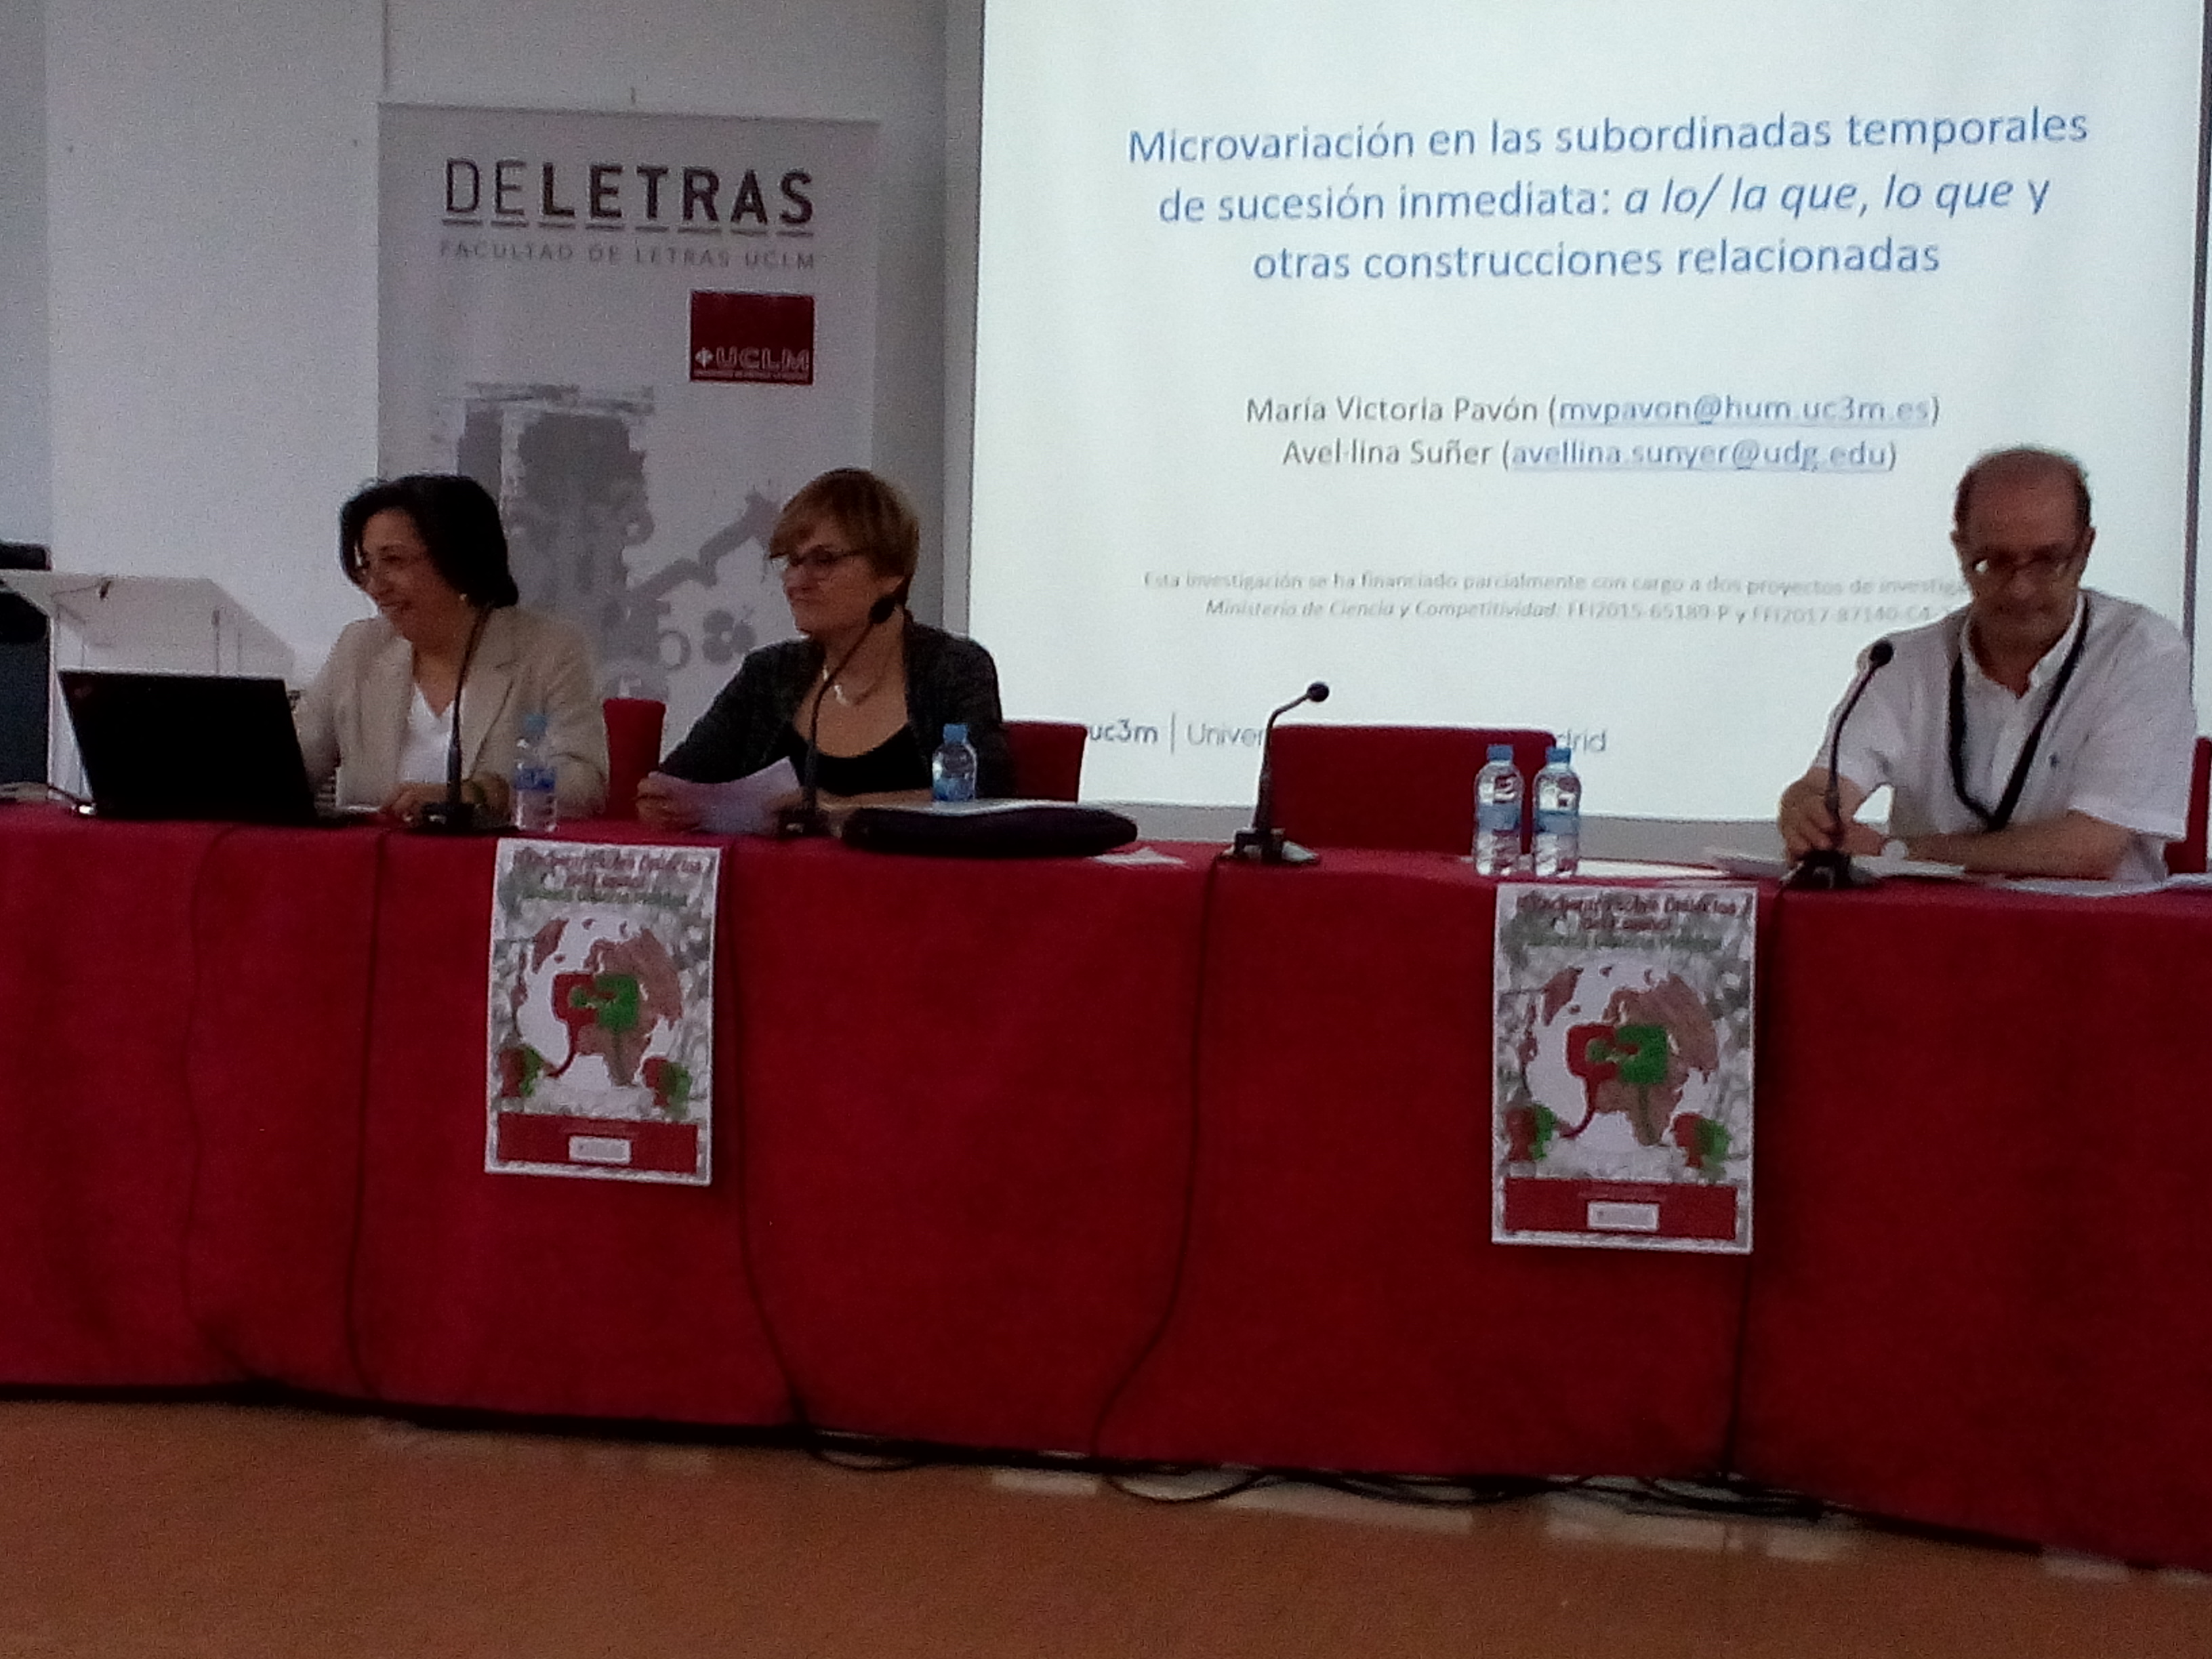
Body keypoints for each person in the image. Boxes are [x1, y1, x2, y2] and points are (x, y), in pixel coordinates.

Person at [1777, 447, 2197, 883]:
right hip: (1929, 923)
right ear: (1960, 549)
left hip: (2094, 924)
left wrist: (1899, 853)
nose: (2020, 589)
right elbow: (1828, 788)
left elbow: (2090, 850)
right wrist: (1807, 810)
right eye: (1993, 562)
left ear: (2086, 549)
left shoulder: (2143, 652)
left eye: (2048, 562)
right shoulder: (1900, 663)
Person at [636, 469, 1009, 828]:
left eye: (824, 560)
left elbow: (988, 796)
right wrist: (665, 804)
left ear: (891, 573)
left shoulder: (953, 667)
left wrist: (838, 809)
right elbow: (673, 785)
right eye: (792, 561)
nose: (796, 582)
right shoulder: (768, 674)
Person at [295, 474, 608, 823]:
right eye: (367, 565)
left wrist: (481, 794)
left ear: (458, 559)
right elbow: (290, 766)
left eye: (393, 561)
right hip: (372, 855)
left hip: (484, 857)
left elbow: (584, 782)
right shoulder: (359, 648)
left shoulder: (549, 649)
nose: (375, 586)